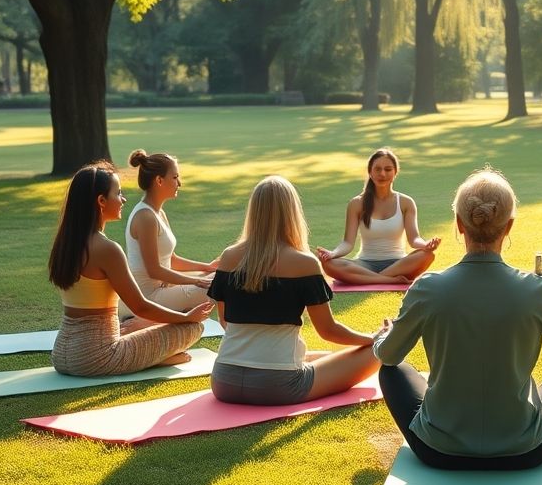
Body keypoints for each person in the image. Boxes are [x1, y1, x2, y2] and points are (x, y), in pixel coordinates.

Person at [374, 167, 542, 470]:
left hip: (438, 451)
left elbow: (388, 354)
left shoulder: (428, 288)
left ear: (459, 224)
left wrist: (383, 335)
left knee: (391, 370)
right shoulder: (536, 290)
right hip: (524, 452)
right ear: (509, 225)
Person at [209, 176, 380, 406]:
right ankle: (381, 341)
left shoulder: (229, 257)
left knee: (319, 356)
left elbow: (225, 321)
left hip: (223, 381)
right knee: (379, 350)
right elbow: (328, 331)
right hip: (278, 385)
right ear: (292, 212)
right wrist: (372, 338)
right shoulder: (305, 263)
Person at [48, 162, 213, 377]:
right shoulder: (107, 249)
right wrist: (187, 317)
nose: (123, 199)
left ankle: (155, 354)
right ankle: (158, 358)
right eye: (118, 193)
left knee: (161, 327)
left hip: (61, 354)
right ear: (101, 201)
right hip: (98, 357)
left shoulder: (65, 244)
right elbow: (141, 307)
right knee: (193, 328)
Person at [316, 148, 441, 285]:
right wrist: (332, 254)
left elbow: (414, 239)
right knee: (329, 264)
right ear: (370, 172)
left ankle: (369, 278)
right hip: (364, 264)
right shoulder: (357, 203)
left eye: (388, 169)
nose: (382, 174)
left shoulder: (406, 202)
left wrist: (426, 245)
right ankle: (390, 280)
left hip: (398, 264)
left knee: (427, 255)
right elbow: (348, 243)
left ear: (395, 172)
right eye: (377, 169)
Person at [121, 149, 218, 321]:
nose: (179, 183)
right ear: (159, 180)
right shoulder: (146, 217)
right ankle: (139, 322)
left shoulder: (157, 213)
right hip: (150, 298)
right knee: (222, 284)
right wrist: (195, 281)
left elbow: (171, 260)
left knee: (221, 272)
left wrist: (207, 267)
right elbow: (154, 271)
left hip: (164, 289)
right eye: (174, 177)